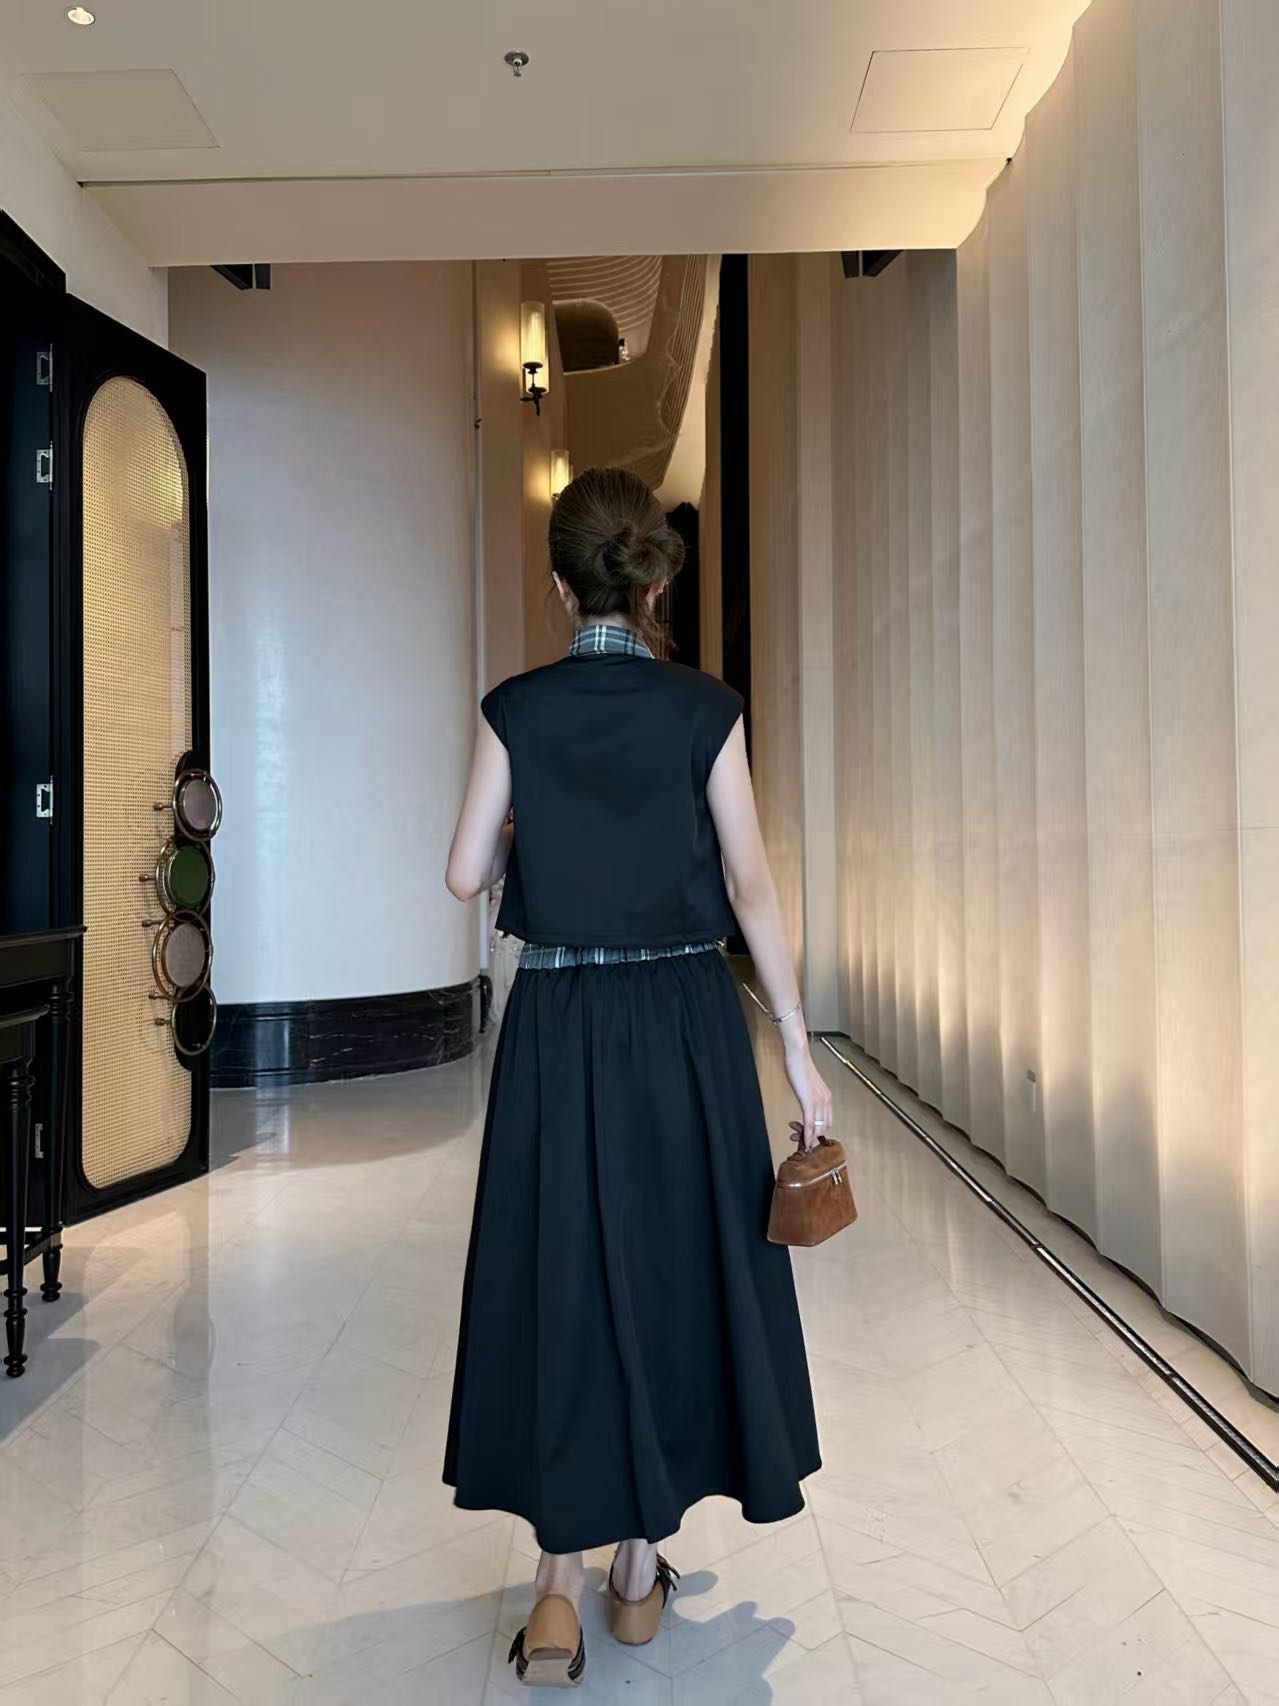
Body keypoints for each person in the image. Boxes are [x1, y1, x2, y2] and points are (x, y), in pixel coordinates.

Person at [443, 466, 829, 1688]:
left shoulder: (515, 708)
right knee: (671, 1268)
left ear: (561, 584)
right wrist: (799, 1051)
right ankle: (634, 1567)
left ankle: (553, 1588)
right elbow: (751, 883)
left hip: (559, 1023)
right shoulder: (705, 708)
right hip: (683, 1023)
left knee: (560, 1271)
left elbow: (462, 873)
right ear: (653, 584)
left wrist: (538, 833)